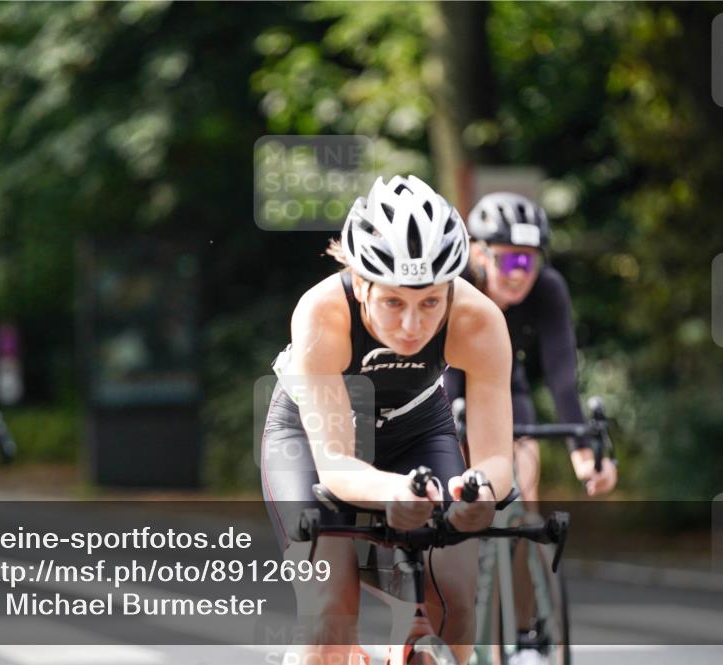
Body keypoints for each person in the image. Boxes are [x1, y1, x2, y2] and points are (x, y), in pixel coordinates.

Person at [261, 175, 514, 664]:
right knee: (330, 615)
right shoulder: (322, 314)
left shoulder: (478, 321)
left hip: (416, 429)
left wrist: (478, 492)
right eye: (393, 302)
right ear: (361, 284)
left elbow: (496, 458)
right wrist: (392, 492)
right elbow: (334, 464)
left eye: (430, 303)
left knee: (455, 604)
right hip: (314, 440)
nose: (412, 325)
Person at [445, 192, 618, 664]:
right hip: (449, 382)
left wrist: (584, 451)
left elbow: (564, 377)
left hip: (505, 387)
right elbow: (445, 381)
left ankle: (525, 630)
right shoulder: (456, 283)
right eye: (508, 258)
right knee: (452, 494)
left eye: (530, 258)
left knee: (523, 495)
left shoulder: (548, 289)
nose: (520, 270)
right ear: (478, 253)